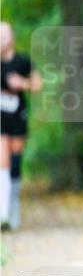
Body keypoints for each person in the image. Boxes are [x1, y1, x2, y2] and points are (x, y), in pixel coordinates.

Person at [1, 21, 43, 231]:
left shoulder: (23, 62)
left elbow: (37, 85)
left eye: (4, 35)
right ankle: (3, 211)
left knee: (15, 164)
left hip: (18, 117)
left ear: (12, 38)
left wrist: (21, 83)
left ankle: (13, 205)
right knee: (3, 162)